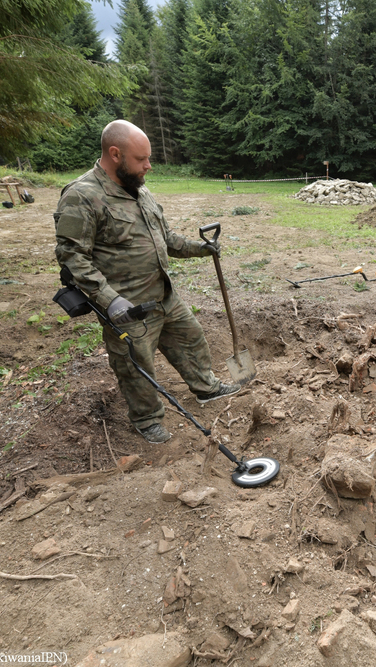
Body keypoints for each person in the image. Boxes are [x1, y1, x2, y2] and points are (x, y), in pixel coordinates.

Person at [54, 120, 240, 444]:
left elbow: (165, 238)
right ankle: (147, 419)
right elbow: (72, 257)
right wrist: (110, 300)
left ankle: (206, 387)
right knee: (135, 366)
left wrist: (199, 248)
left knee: (191, 339)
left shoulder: (140, 189)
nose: (148, 166)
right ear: (115, 154)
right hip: (128, 307)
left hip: (163, 295)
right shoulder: (82, 195)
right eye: (141, 159)